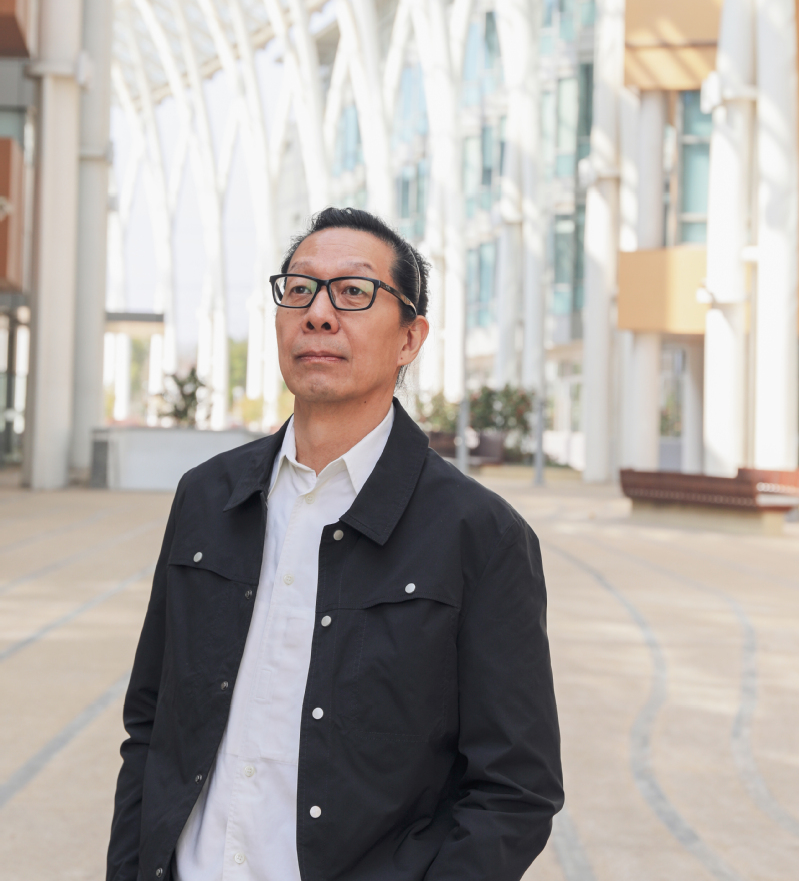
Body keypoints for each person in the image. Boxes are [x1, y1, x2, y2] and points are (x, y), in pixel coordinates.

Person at [106, 206, 563, 881]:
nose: (318, 313)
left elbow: (515, 790)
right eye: (299, 289)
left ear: (409, 338)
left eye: (354, 292)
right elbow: (151, 727)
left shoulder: (480, 534)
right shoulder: (206, 497)